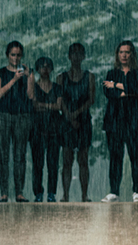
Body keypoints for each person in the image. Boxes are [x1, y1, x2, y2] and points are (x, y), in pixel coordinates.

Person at [101, 40, 138, 203]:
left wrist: (116, 86)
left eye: (127, 52)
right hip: (115, 121)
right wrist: (124, 90)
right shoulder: (111, 73)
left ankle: (137, 191)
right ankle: (114, 191)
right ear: (117, 54)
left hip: (135, 120)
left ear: (132, 54)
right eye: (121, 52)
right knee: (115, 157)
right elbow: (107, 92)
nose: (124, 55)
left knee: (136, 156)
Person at [0, 41, 33, 202]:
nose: (16, 58)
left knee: (20, 155)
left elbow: (30, 95)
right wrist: (14, 79)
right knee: (2, 155)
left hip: (22, 116)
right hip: (2, 115)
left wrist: (28, 77)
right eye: (13, 55)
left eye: (18, 55)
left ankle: (19, 192)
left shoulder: (28, 73)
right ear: (8, 55)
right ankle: (3, 192)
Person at [57, 43, 96, 202]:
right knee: (66, 159)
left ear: (84, 56)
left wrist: (76, 114)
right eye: (73, 53)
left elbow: (91, 99)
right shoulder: (61, 77)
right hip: (66, 122)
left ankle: (84, 195)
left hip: (83, 120)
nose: (76, 57)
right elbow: (59, 100)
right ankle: (65, 195)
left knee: (83, 159)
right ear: (69, 56)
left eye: (80, 54)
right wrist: (69, 116)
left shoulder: (89, 76)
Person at [28, 57, 63, 203]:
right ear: (37, 69)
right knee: (38, 162)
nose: (45, 68)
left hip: (54, 127)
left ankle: (51, 193)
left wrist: (43, 105)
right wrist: (50, 105)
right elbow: (33, 103)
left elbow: (59, 106)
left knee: (53, 162)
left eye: (48, 66)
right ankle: (38, 192)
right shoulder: (34, 87)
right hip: (37, 127)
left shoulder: (57, 87)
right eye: (42, 66)